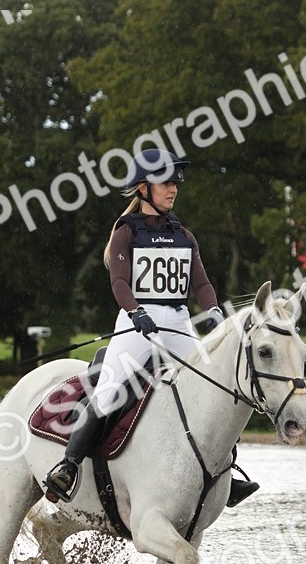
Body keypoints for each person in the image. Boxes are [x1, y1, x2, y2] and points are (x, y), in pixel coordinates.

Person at [43, 148, 259, 506]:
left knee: (216, 387)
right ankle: (68, 465)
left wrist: (216, 312)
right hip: (135, 323)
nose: (173, 188)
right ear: (143, 188)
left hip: (177, 323)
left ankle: (228, 473)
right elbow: (119, 283)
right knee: (109, 391)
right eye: (166, 182)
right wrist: (135, 311)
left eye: (175, 182)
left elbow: (201, 285)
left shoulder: (184, 235)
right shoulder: (126, 233)